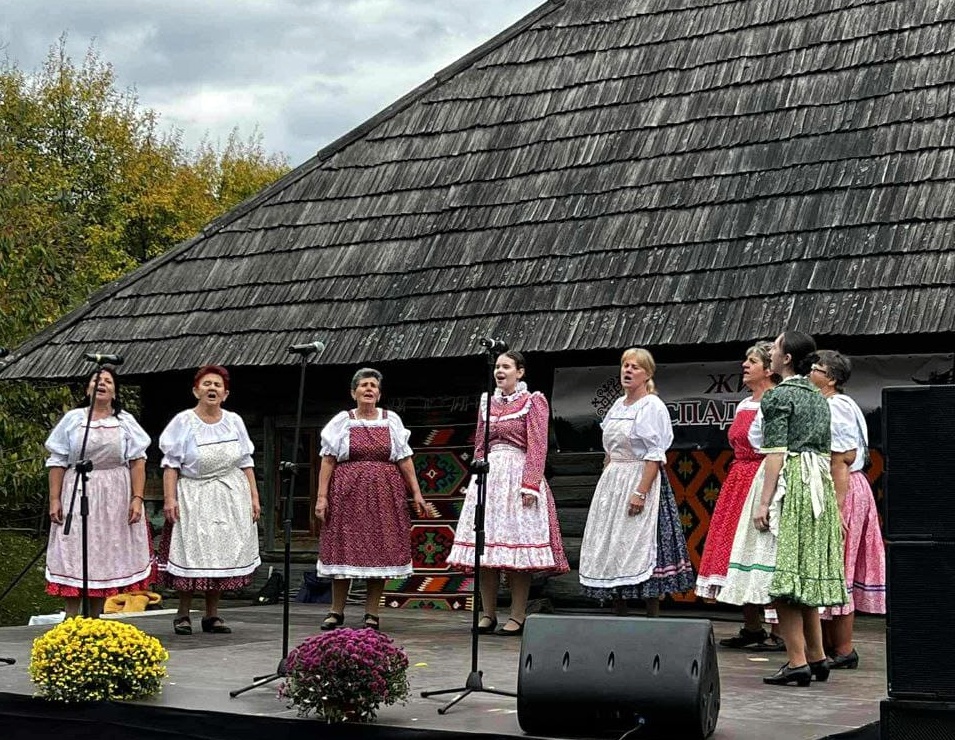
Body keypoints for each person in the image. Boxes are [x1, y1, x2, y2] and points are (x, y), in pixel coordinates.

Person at [719, 331, 847, 686]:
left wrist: (764, 502)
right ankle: (817, 657)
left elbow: (775, 452)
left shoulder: (779, 396)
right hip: (816, 482)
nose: (771, 353)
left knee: (783, 576)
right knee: (801, 572)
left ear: (787, 358)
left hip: (789, 484)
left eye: (775, 348)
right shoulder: (818, 396)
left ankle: (796, 661)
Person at [447, 351, 568, 636]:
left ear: (520, 372)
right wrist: (477, 476)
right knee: (485, 547)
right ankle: (488, 614)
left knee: (517, 549)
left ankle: (517, 615)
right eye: (497, 367)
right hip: (490, 478)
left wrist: (530, 483)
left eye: (506, 366)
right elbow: (480, 443)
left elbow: (537, 445)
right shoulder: (486, 403)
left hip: (518, 474)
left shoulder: (532, 401)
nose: (499, 371)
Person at [579, 348, 695, 616]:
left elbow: (655, 455)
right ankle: (619, 612)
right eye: (625, 365)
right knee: (612, 542)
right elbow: (610, 450)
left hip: (640, 477)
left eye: (635, 367)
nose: (628, 371)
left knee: (641, 542)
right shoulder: (618, 405)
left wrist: (640, 492)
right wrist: (606, 484)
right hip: (614, 481)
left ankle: (651, 615)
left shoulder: (652, 406)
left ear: (647, 374)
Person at [315, 368, 428, 632]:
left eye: (373, 386)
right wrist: (322, 497)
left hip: (384, 494)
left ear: (379, 393)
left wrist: (416, 492)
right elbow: (328, 460)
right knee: (343, 547)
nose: (369, 389)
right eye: (364, 385)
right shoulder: (343, 421)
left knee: (381, 550)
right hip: (347, 494)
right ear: (353, 392)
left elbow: (404, 459)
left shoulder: (391, 420)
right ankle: (336, 611)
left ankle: (372, 613)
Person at [159, 365, 261, 635]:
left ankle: (212, 615)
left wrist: (253, 496)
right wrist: (170, 499)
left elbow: (245, 461)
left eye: (217, 385)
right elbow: (171, 464)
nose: (212, 388)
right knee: (191, 551)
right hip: (194, 493)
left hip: (229, 494)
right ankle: (183, 613)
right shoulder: (183, 421)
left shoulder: (234, 421)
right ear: (196, 391)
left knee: (220, 552)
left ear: (225, 394)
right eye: (207, 384)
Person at [44, 366, 153, 618]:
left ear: (115, 392)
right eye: (96, 380)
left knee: (106, 550)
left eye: (107, 381)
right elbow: (58, 460)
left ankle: (96, 618)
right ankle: (70, 619)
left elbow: (137, 461)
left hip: (115, 494)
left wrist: (137, 498)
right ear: (87, 389)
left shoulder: (124, 421)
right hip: (77, 489)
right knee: (74, 548)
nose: (101, 384)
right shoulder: (74, 419)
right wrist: (54, 499)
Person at [696, 341, 783, 650]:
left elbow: (776, 450)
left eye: (752, 361)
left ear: (769, 369)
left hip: (763, 478)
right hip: (739, 480)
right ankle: (752, 627)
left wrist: (768, 495)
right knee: (737, 548)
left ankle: (779, 631)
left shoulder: (775, 401)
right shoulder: (745, 403)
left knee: (764, 549)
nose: (745, 365)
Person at [809, 350, 885, 669]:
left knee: (839, 567)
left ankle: (843, 649)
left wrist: (837, 509)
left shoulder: (836, 406)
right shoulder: (835, 403)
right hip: (843, 486)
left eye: (816, 369)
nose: (810, 373)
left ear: (831, 379)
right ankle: (829, 646)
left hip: (842, 489)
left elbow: (841, 458)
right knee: (832, 566)